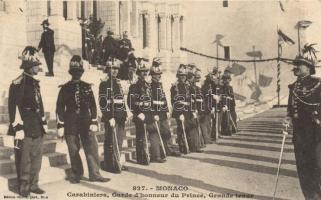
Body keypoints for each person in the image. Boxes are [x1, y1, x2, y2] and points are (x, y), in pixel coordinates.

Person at [56, 55, 109, 184]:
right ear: (71, 72)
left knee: (91, 148)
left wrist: (94, 121)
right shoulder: (65, 88)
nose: (77, 74)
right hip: (70, 123)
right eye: (74, 72)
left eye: (79, 72)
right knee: (73, 149)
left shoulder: (87, 87)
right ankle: (76, 173)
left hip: (86, 122)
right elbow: (59, 107)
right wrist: (60, 124)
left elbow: (93, 105)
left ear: (82, 72)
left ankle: (95, 173)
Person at [7, 46, 47, 197]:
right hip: (24, 126)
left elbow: (39, 103)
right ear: (29, 66)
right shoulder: (17, 83)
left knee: (36, 158)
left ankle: (33, 184)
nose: (38, 67)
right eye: (36, 65)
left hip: (36, 125)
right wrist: (17, 127)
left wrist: (43, 121)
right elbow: (13, 106)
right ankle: (23, 186)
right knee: (24, 159)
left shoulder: (35, 82)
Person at [284, 47, 321, 200]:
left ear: (309, 67)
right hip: (300, 136)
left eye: (300, 64)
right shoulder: (293, 87)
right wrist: (288, 119)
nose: (296, 67)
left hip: (317, 134)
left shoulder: (318, 84)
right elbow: (290, 109)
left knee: (318, 166)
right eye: (296, 64)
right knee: (303, 169)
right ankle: (311, 197)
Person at [127, 62, 166, 164]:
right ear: (138, 73)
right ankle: (143, 158)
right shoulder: (134, 86)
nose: (144, 74)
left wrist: (155, 113)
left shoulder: (148, 86)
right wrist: (137, 113)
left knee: (154, 133)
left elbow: (151, 101)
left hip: (149, 113)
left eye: (145, 72)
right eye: (142, 72)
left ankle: (156, 156)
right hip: (140, 114)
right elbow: (131, 102)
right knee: (141, 136)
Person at [99, 58, 128, 173]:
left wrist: (125, 114)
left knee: (119, 141)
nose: (115, 71)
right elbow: (103, 102)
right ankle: (108, 164)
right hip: (111, 117)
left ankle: (116, 162)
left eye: (116, 68)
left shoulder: (118, 83)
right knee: (110, 141)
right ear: (108, 69)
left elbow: (121, 100)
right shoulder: (104, 83)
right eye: (112, 68)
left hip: (120, 116)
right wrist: (108, 116)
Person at [150, 58, 181, 157]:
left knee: (166, 131)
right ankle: (158, 153)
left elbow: (163, 98)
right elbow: (149, 100)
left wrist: (167, 110)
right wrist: (153, 113)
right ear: (152, 75)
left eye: (159, 74)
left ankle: (169, 149)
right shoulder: (150, 85)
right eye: (156, 75)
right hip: (155, 111)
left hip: (162, 112)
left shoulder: (160, 85)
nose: (158, 76)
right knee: (156, 133)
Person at [185, 64, 203, 152]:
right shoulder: (188, 87)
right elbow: (189, 99)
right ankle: (194, 147)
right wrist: (192, 110)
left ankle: (196, 145)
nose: (193, 79)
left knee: (194, 127)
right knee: (192, 128)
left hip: (193, 109)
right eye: (192, 78)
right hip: (189, 110)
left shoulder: (192, 86)